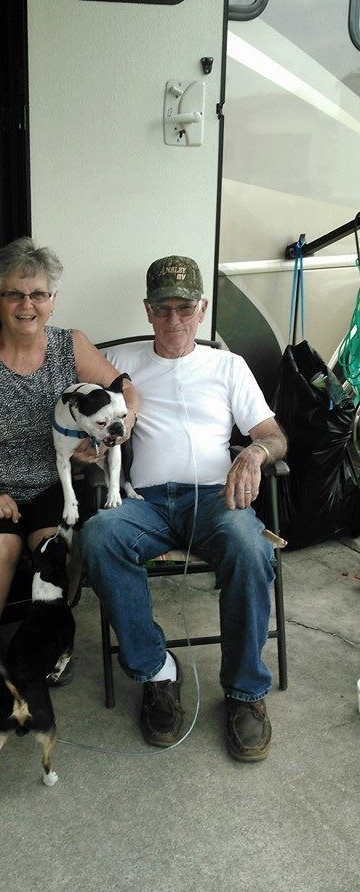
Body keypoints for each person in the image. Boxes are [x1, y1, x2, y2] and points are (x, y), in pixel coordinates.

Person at [81, 255, 287, 761]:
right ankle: (157, 672)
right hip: (145, 502)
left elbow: (272, 435)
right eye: (163, 309)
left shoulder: (227, 365)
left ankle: (245, 692)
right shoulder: (120, 364)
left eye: (185, 308)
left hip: (215, 499)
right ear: (148, 311)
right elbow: (73, 396)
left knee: (248, 546)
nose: (174, 320)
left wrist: (255, 454)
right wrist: (91, 442)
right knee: (99, 535)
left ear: (203, 309)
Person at [0, 236, 139, 709]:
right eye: (14, 293)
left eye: (38, 294)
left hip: (54, 481)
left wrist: (111, 434)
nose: (27, 305)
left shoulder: (72, 345)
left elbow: (125, 394)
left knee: (58, 549)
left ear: (52, 301)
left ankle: (54, 635)